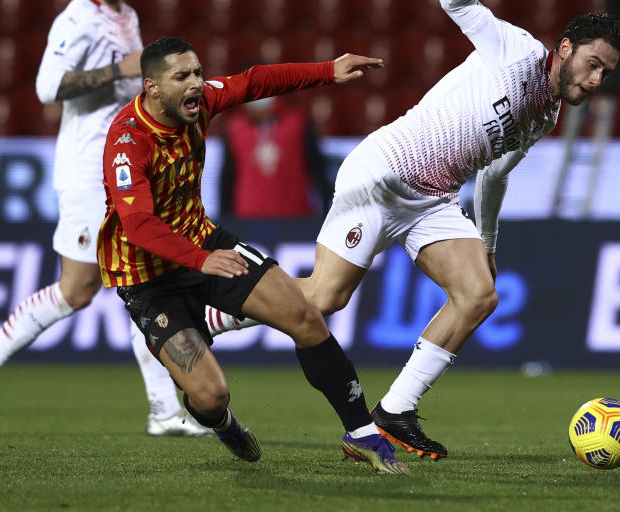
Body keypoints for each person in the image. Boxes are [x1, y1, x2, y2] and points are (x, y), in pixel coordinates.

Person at [213, 0, 620, 461]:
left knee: (479, 293)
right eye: (593, 65)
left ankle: (394, 412)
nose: (596, 81)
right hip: (384, 173)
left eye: (606, 74)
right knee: (324, 299)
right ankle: (218, 313)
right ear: (565, 48)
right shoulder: (517, 50)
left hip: (431, 200)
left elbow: (495, 176)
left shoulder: (546, 114)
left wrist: (488, 243)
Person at [98, 36, 409, 475]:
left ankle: (361, 433)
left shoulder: (200, 103)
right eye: (181, 76)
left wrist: (327, 70)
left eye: (198, 72)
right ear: (151, 87)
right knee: (209, 397)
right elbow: (139, 225)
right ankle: (223, 423)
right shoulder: (127, 142)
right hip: (148, 277)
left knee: (304, 315)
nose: (196, 84)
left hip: (202, 242)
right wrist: (199, 260)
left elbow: (256, 81)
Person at [0, 0, 209, 438]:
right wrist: (121, 69)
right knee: (76, 290)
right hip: (88, 172)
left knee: (150, 280)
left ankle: (165, 411)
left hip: (125, 165)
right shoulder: (76, 20)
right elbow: (48, 86)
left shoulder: (126, 16)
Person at [219, 95, 333, 219]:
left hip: (295, 219)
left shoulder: (298, 124)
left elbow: (318, 170)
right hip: (247, 220)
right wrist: (225, 220)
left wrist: (326, 213)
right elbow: (228, 178)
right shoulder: (234, 128)